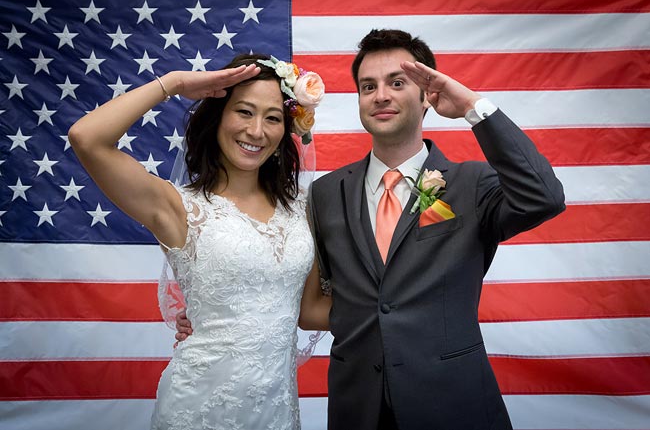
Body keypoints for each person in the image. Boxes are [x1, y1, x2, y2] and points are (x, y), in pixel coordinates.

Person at [176, 29, 565, 430]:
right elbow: (308, 296)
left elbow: (544, 197)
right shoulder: (324, 194)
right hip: (357, 407)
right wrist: (216, 317)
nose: (381, 95)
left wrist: (472, 107)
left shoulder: (473, 185)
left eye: (398, 83)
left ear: (426, 96)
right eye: (368, 86)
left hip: (454, 405)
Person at [69, 53, 330, 430]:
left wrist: (393, 307)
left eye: (272, 117)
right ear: (218, 116)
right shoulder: (177, 206)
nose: (257, 131)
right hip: (198, 407)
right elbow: (86, 138)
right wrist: (173, 83)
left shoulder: (302, 211)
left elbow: (310, 311)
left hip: (277, 410)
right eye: (243, 111)